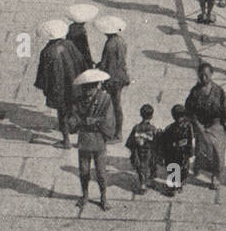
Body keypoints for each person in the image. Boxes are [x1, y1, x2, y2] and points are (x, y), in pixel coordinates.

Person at [34, 19, 89, 148]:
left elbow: (44, 74)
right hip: (75, 86)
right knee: (78, 111)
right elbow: (81, 61)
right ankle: (81, 140)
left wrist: (44, 87)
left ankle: (66, 141)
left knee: (62, 114)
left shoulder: (47, 52)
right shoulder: (69, 44)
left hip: (59, 89)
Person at [185, 62, 226, 200]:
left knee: (218, 151)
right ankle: (199, 165)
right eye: (201, 75)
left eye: (207, 75)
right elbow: (189, 109)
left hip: (216, 123)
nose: (204, 78)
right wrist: (196, 124)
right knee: (202, 149)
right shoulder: (195, 91)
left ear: (211, 75)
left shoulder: (218, 91)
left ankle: (216, 176)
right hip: (200, 123)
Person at [69, 69, 114, 211]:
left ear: (97, 86)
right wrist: (75, 123)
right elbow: (73, 119)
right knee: (84, 171)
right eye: (86, 88)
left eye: (91, 87)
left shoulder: (105, 100)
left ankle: (103, 196)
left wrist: (94, 121)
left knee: (101, 172)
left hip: (99, 140)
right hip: (84, 140)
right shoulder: (78, 100)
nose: (88, 91)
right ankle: (85, 195)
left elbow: (109, 120)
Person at [96, 16, 130, 141]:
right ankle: (116, 130)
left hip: (113, 78)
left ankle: (117, 133)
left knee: (114, 105)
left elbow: (106, 64)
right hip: (121, 75)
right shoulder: (121, 41)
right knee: (116, 104)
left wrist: (99, 68)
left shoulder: (109, 44)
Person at [156, 104, 195, 196]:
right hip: (183, 152)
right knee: (183, 169)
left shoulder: (170, 128)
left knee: (174, 170)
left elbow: (164, 141)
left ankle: (173, 187)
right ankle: (177, 186)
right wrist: (190, 150)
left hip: (173, 153)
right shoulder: (189, 126)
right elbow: (191, 139)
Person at [125, 104, 160, 196]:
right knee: (150, 167)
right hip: (149, 152)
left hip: (138, 152)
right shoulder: (153, 129)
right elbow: (157, 142)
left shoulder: (136, 127)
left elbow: (129, 142)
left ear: (141, 114)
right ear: (152, 116)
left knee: (140, 168)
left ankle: (142, 185)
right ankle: (150, 181)